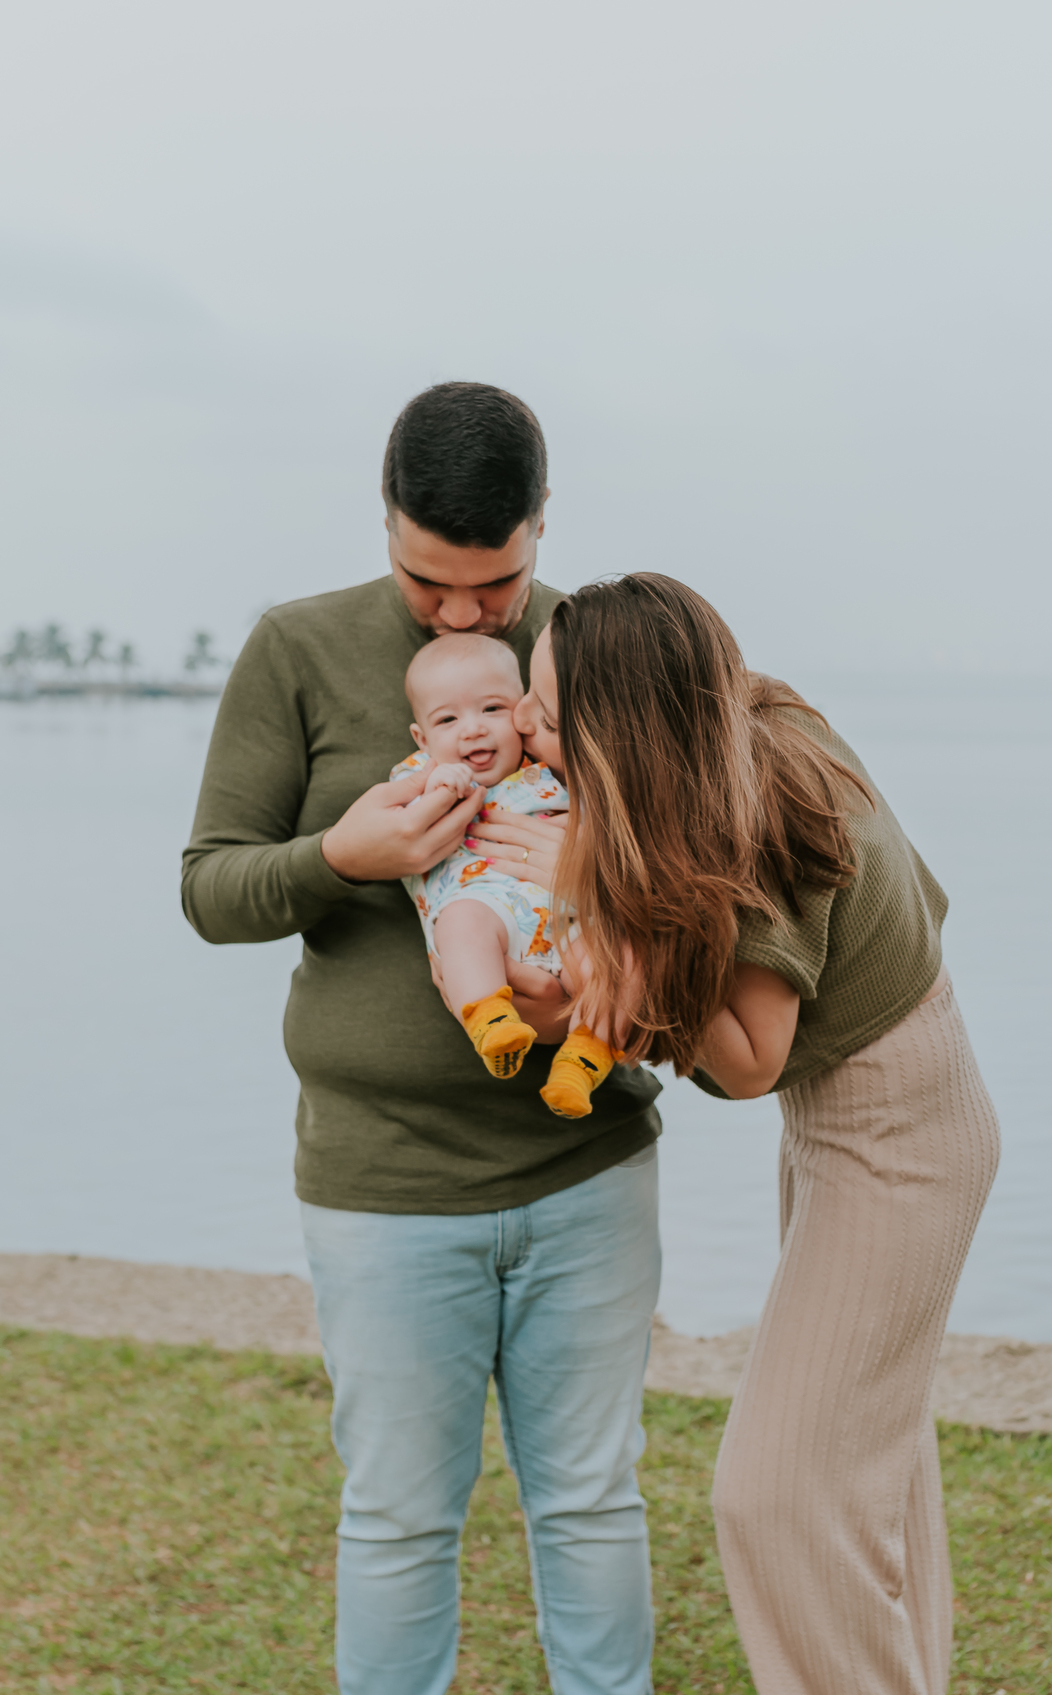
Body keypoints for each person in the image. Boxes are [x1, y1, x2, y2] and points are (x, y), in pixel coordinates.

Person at [182, 384, 662, 1695]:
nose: (462, 615)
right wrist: (345, 855)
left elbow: (683, 860)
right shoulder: (297, 648)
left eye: (496, 587)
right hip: (384, 1183)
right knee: (399, 1513)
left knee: (592, 1498)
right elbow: (211, 886)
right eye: (427, 582)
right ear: (384, 525)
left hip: (588, 1167)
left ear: (542, 526)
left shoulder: (596, 643)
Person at [503, 574, 1002, 1695]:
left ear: (622, 726)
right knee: (873, 1467)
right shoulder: (744, 722)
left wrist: (590, 928)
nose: (526, 727)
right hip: (876, 1111)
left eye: (545, 712)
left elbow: (747, 1056)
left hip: (894, 1134)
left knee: (774, 1493)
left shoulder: (755, 806)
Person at [389, 630, 619, 1113]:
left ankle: (584, 1059)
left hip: (574, 921)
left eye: (492, 709)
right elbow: (399, 822)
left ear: (523, 713)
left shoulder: (550, 773)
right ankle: (490, 1020)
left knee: (625, 959)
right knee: (462, 921)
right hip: (490, 918)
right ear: (422, 737)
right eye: (448, 719)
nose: (472, 729)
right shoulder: (423, 775)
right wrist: (439, 783)